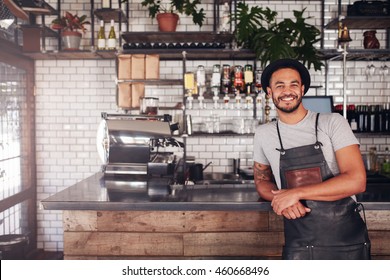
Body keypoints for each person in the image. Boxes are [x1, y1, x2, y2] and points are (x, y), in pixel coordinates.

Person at [253, 58, 371, 260]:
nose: (287, 91)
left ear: (303, 89)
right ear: (269, 92)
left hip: (346, 243)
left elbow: (357, 181)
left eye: (294, 84)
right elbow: (262, 181)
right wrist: (282, 199)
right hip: (299, 244)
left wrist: (294, 193)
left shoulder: (332, 122)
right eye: (279, 85)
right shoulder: (264, 134)